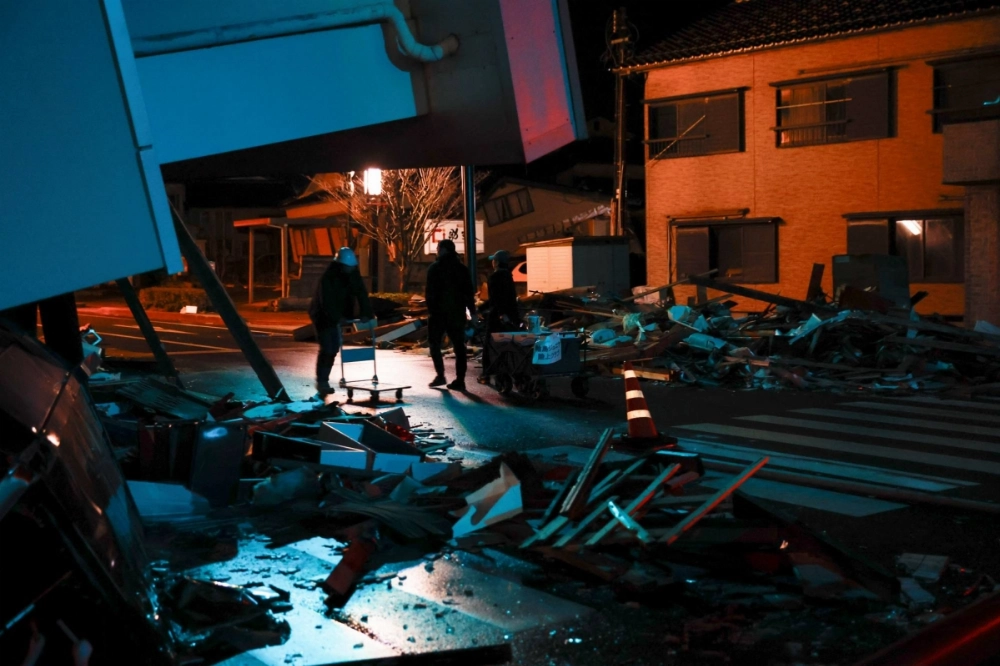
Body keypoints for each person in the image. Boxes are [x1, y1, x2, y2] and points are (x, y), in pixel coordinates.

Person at [308, 247, 373, 394]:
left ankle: (323, 379)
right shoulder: (329, 278)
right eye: (347, 268)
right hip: (322, 315)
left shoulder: (352, 273)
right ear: (340, 266)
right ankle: (322, 381)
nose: (350, 270)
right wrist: (338, 318)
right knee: (328, 347)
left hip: (338, 313)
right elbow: (327, 302)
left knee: (334, 348)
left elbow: (361, 293)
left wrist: (366, 313)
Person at [425, 238, 476, 391]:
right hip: (456, 313)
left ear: (443, 249)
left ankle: (440, 375)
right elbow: (468, 293)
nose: (437, 250)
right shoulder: (462, 269)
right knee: (459, 346)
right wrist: (472, 313)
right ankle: (460, 380)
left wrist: (432, 310)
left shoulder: (435, 268)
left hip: (438, 314)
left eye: (438, 247)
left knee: (434, 344)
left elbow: (430, 293)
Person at [478, 249, 520, 384]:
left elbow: (495, 300)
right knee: (508, 344)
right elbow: (509, 298)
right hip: (511, 316)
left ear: (496, 262)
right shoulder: (508, 275)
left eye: (493, 260)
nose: (492, 263)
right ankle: (508, 370)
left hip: (497, 316)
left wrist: (480, 308)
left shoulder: (495, 277)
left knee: (489, 344)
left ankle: (486, 373)